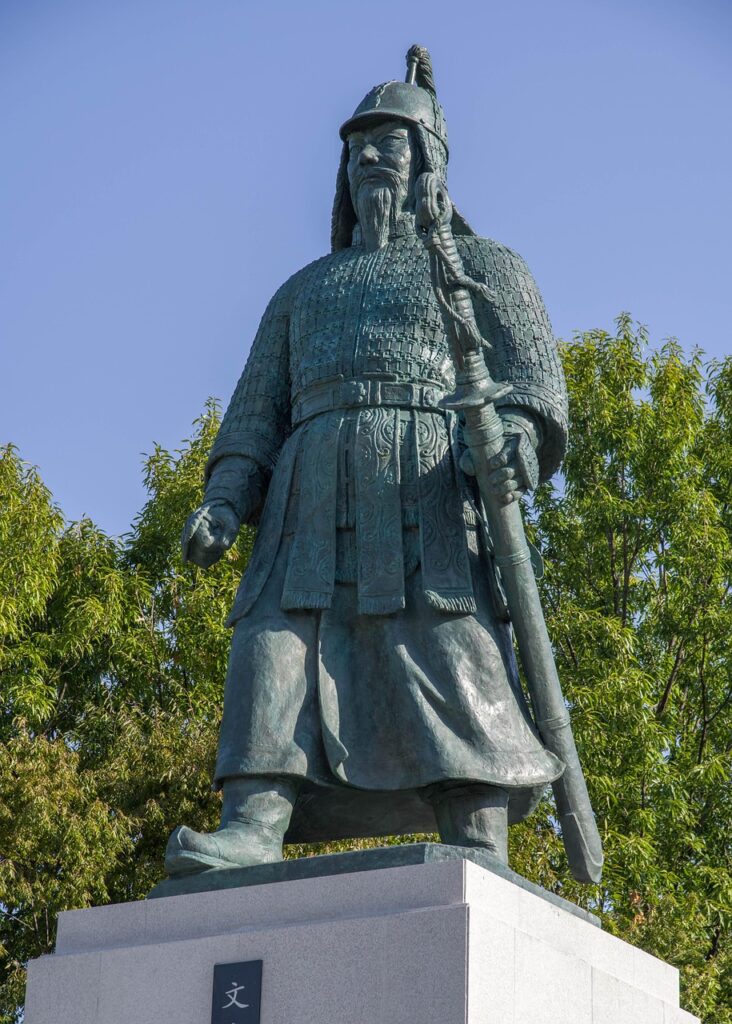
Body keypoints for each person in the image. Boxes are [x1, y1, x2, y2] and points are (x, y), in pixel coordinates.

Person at [165, 46, 568, 878]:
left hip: (429, 493)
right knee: (272, 647)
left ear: (429, 164)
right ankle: (253, 819)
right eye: (356, 149)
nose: (370, 160)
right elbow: (253, 417)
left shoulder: (485, 271)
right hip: (305, 502)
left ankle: (476, 828)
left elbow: (531, 387)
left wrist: (517, 445)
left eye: (389, 144)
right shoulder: (303, 292)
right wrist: (225, 500)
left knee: (452, 648)